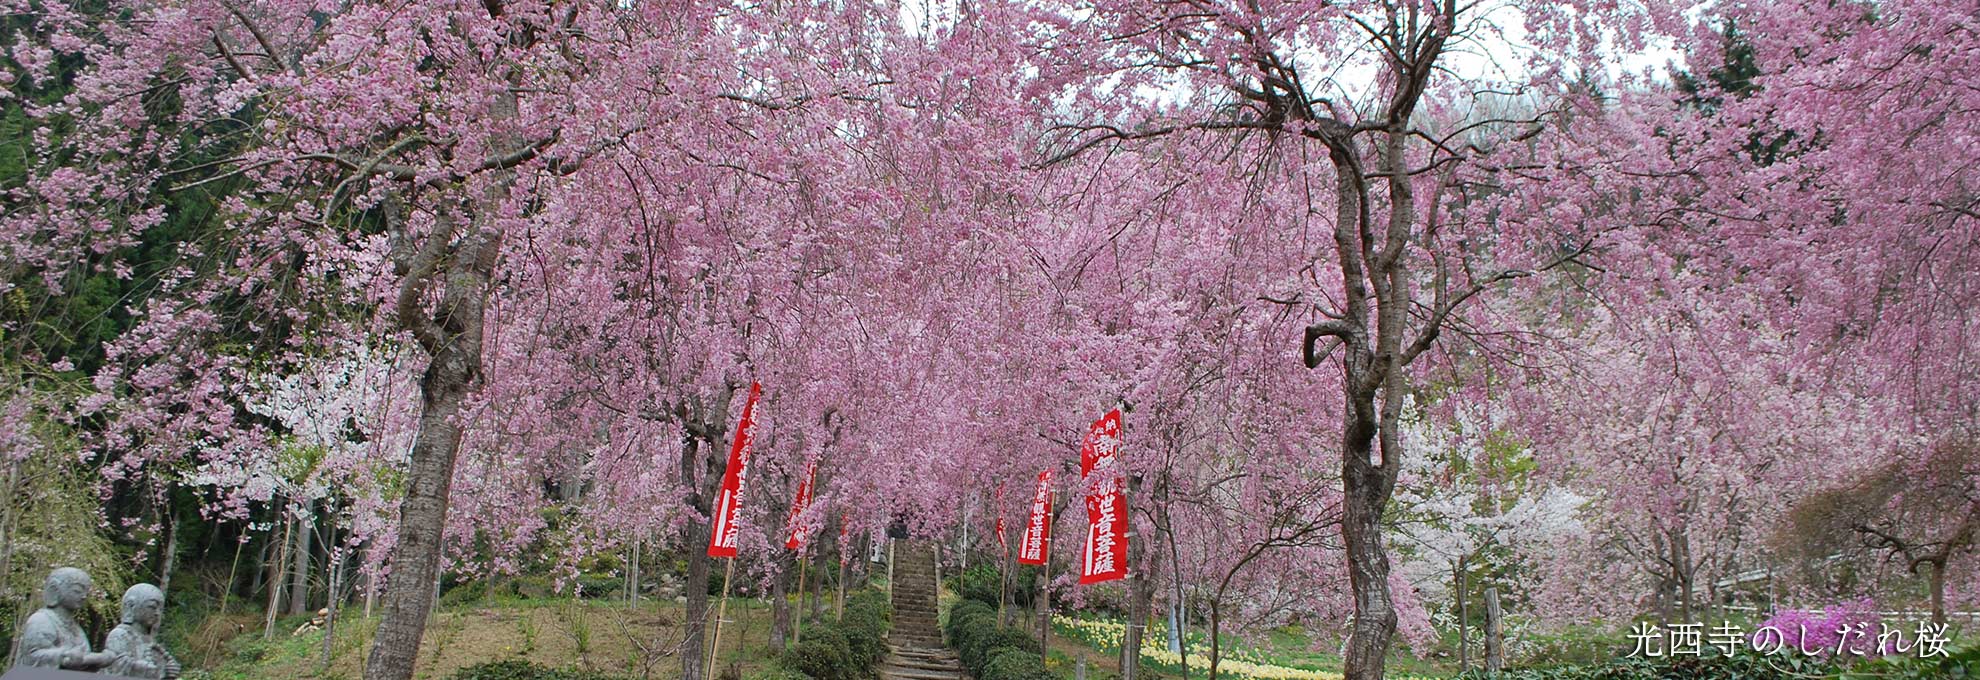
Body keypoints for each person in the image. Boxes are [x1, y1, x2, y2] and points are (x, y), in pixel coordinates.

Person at [13, 567, 114, 671]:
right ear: (55, 589)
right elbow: (31, 657)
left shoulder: (75, 627)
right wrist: (63, 655)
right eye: (77, 591)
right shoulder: (41, 620)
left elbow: (83, 657)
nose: (84, 596)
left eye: (86, 593)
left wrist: (99, 660)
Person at [103, 583, 180, 680]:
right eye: (152, 607)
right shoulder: (119, 635)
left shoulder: (149, 641)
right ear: (131, 605)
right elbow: (117, 667)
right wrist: (154, 670)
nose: (157, 613)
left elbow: (158, 669)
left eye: (160, 609)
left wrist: (169, 671)